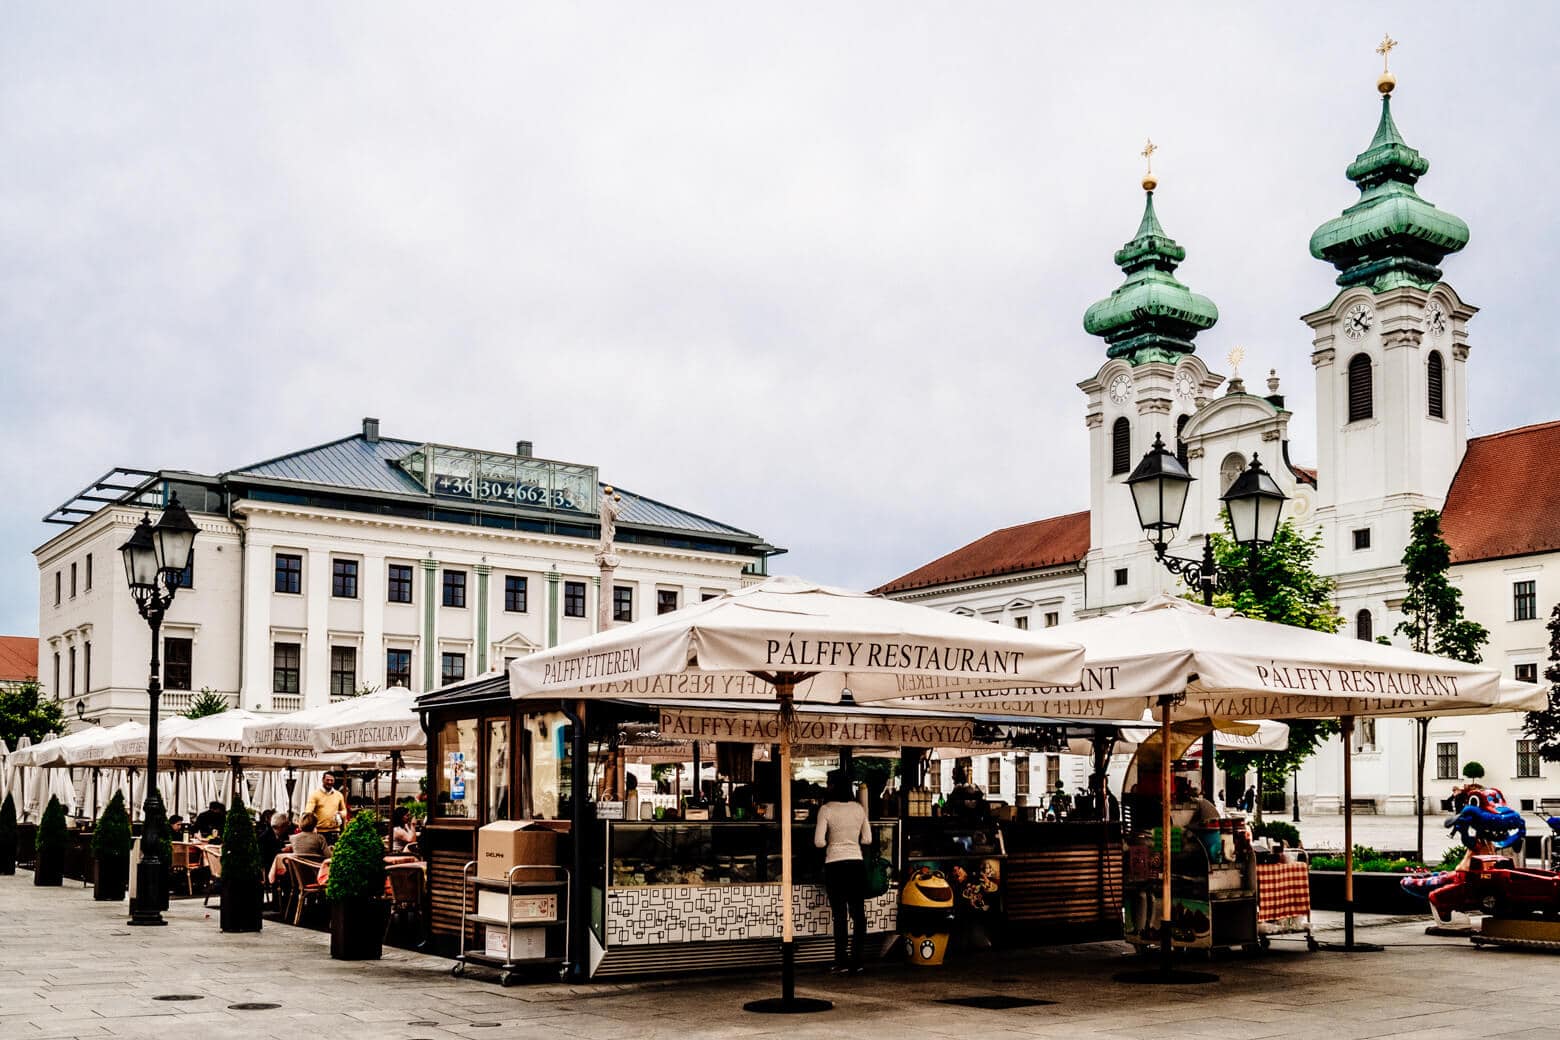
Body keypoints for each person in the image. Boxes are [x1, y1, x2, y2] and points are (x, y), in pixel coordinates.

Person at [814, 770, 871, 974]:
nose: (827, 787)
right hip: (856, 864)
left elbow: (819, 842)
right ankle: (858, 960)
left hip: (835, 865)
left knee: (840, 915)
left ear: (834, 786)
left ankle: (841, 961)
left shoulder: (826, 809)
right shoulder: (859, 808)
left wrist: (834, 839)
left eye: (829, 783)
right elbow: (867, 839)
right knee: (858, 914)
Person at [302, 772, 350, 845]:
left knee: (334, 853)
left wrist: (340, 814)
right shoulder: (315, 795)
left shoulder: (339, 795)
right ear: (322, 780)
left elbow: (344, 811)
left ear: (334, 781)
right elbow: (308, 812)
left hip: (335, 831)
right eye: (327, 780)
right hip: (320, 832)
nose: (329, 782)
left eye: (331, 780)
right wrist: (311, 826)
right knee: (320, 855)